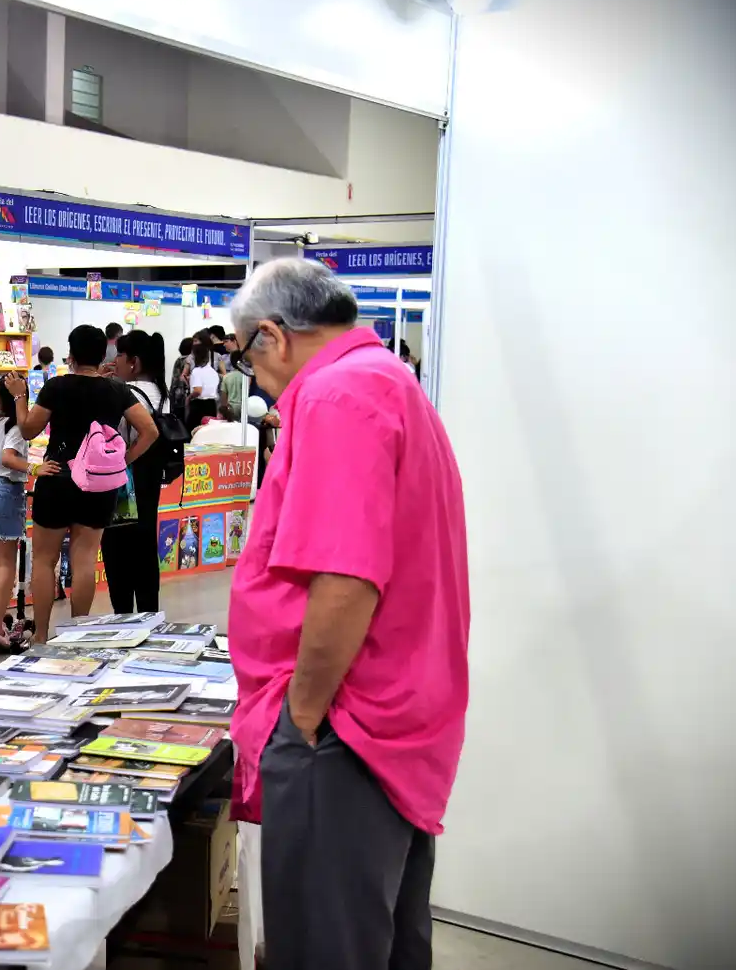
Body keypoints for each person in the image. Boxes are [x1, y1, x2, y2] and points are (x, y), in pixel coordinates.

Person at [226, 258, 469, 970]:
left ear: (270, 336)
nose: (257, 382)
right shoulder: (388, 380)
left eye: (247, 357)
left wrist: (301, 716)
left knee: (325, 942)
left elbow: (346, 575)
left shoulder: (337, 395)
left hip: (343, 727)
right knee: (381, 933)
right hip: (387, 715)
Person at [21, 325, 158, 639]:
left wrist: (19, 399)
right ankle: (74, 634)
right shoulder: (116, 390)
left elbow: (29, 430)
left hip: (57, 477)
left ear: (70, 355)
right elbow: (150, 430)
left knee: (44, 560)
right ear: (102, 355)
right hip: (97, 484)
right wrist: (122, 461)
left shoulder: (56, 386)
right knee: (84, 560)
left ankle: (40, 634)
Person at [0, 373, 61, 636]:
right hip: (5, 490)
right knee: (6, 563)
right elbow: (8, 458)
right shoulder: (17, 428)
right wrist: (35, 467)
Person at [100, 330, 169, 613]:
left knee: (117, 550)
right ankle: (150, 614)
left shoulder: (127, 395)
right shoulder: (161, 393)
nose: (115, 360)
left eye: (120, 355)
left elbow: (111, 436)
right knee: (144, 548)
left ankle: (124, 618)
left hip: (124, 481)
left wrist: (125, 459)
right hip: (151, 480)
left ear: (134, 362)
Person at [187, 338, 220, 427]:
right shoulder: (213, 371)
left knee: (194, 430)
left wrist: (189, 398)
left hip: (199, 405)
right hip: (212, 404)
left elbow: (198, 390)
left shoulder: (196, 371)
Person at [218, 348, 248, 421]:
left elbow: (223, 397)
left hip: (231, 407)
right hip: (245, 406)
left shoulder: (227, 377)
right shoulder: (247, 376)